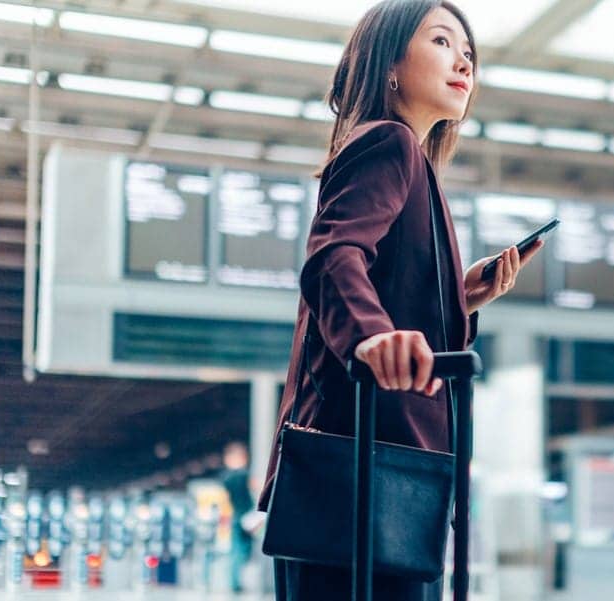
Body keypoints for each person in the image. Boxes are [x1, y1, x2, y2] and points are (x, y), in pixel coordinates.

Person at [255, 1, 542, 599]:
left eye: (468, 52)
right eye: (441, 42)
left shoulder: (419, 167)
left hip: (388, 479)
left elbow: (374, 271)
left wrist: (461, 296)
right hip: (361, 474)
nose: (462, 60)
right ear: (389, 64)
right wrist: (371, 336)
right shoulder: (389, 142)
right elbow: (334, 254)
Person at [220, 442, 254, 594]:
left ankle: (234, 582)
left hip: (235, 516)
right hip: (247, 517)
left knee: (235, 550)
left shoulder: (226, 477)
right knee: (244, 550)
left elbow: (225, 499)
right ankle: (236, 583)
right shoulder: (244, 474)